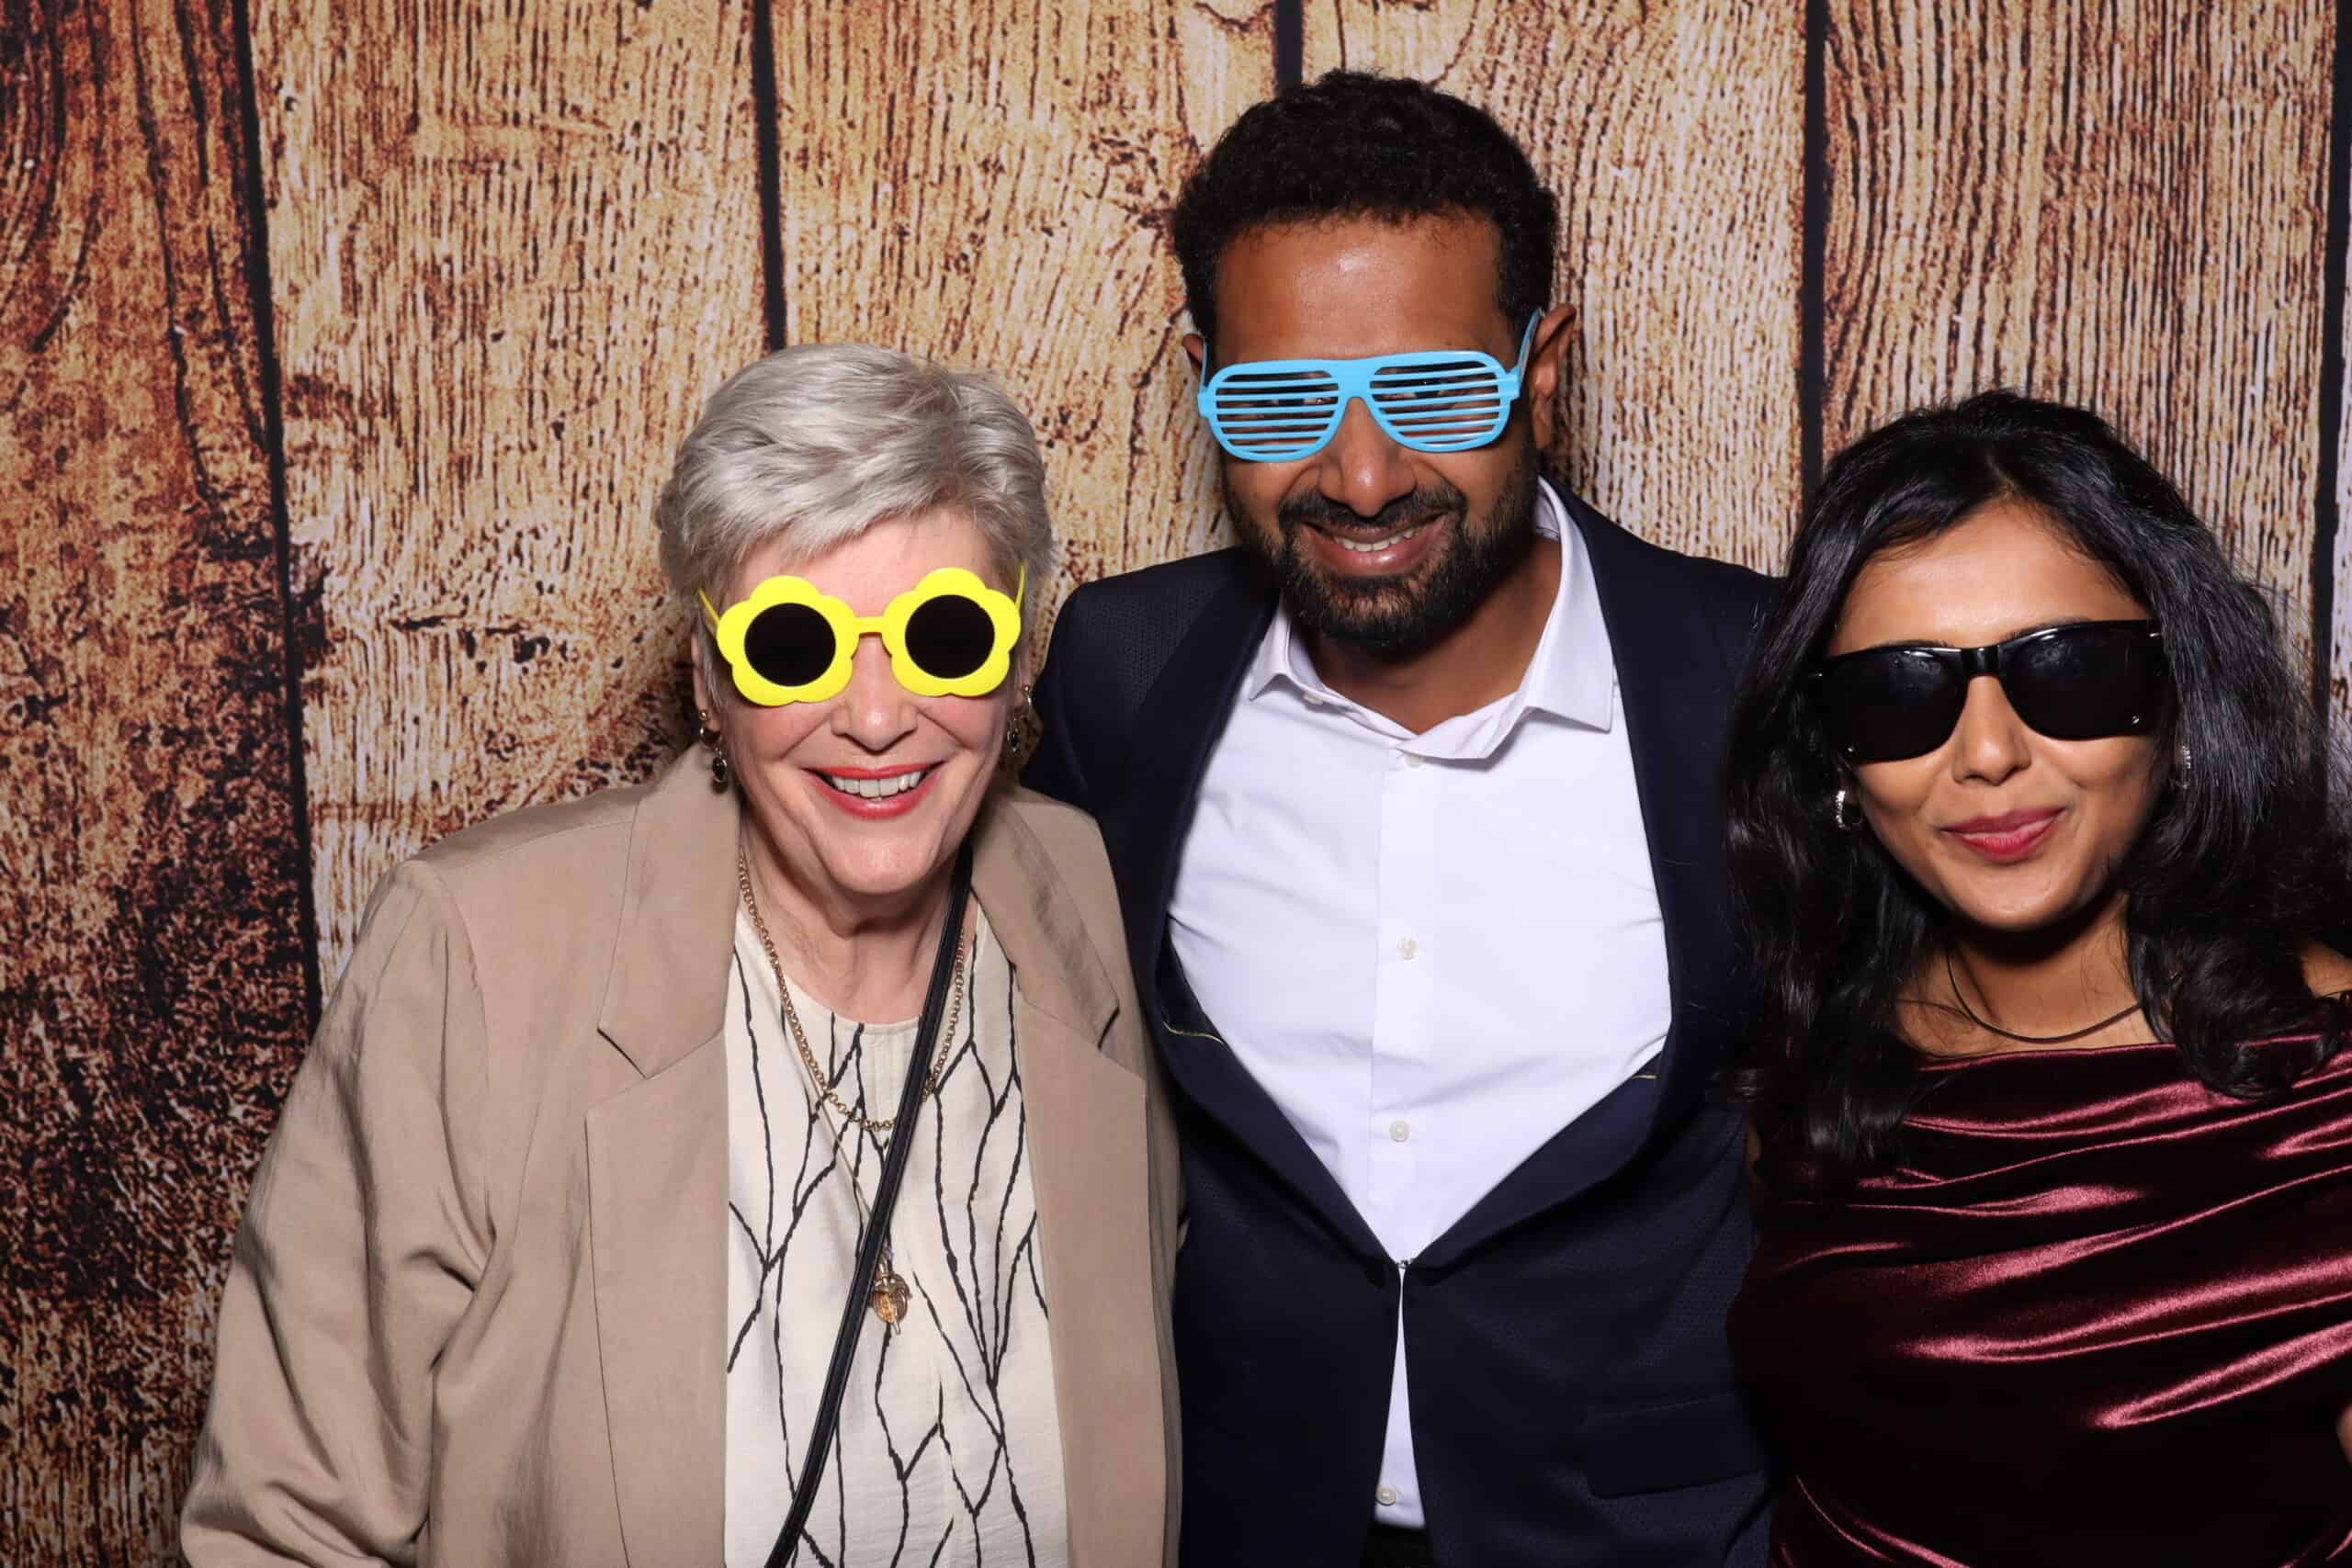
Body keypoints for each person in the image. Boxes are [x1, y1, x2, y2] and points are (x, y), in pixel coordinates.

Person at [182, 345, 1181, 1567]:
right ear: (709, 677)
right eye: (797, 647)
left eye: (943, 634)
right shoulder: (484, 950)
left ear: (1020, 658)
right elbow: (285, 1524)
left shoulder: (1072, 893)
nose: (875, 716)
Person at [1024, 71, 1773, 1567]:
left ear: (1540, 369)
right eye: (1285, 400)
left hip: (1651, 1536)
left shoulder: (1745, 677)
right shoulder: (1123, 671)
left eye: (1434, 392)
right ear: (1204, 381)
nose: (1361, 479)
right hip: (1240, 1525)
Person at [1724, 389, 2352, 1564]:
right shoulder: (1823, 1058)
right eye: (1900, 691)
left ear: (2177, 705)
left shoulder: (2328, 1107)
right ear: (1836, 760)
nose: (1990, 752)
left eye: (2067, 671)